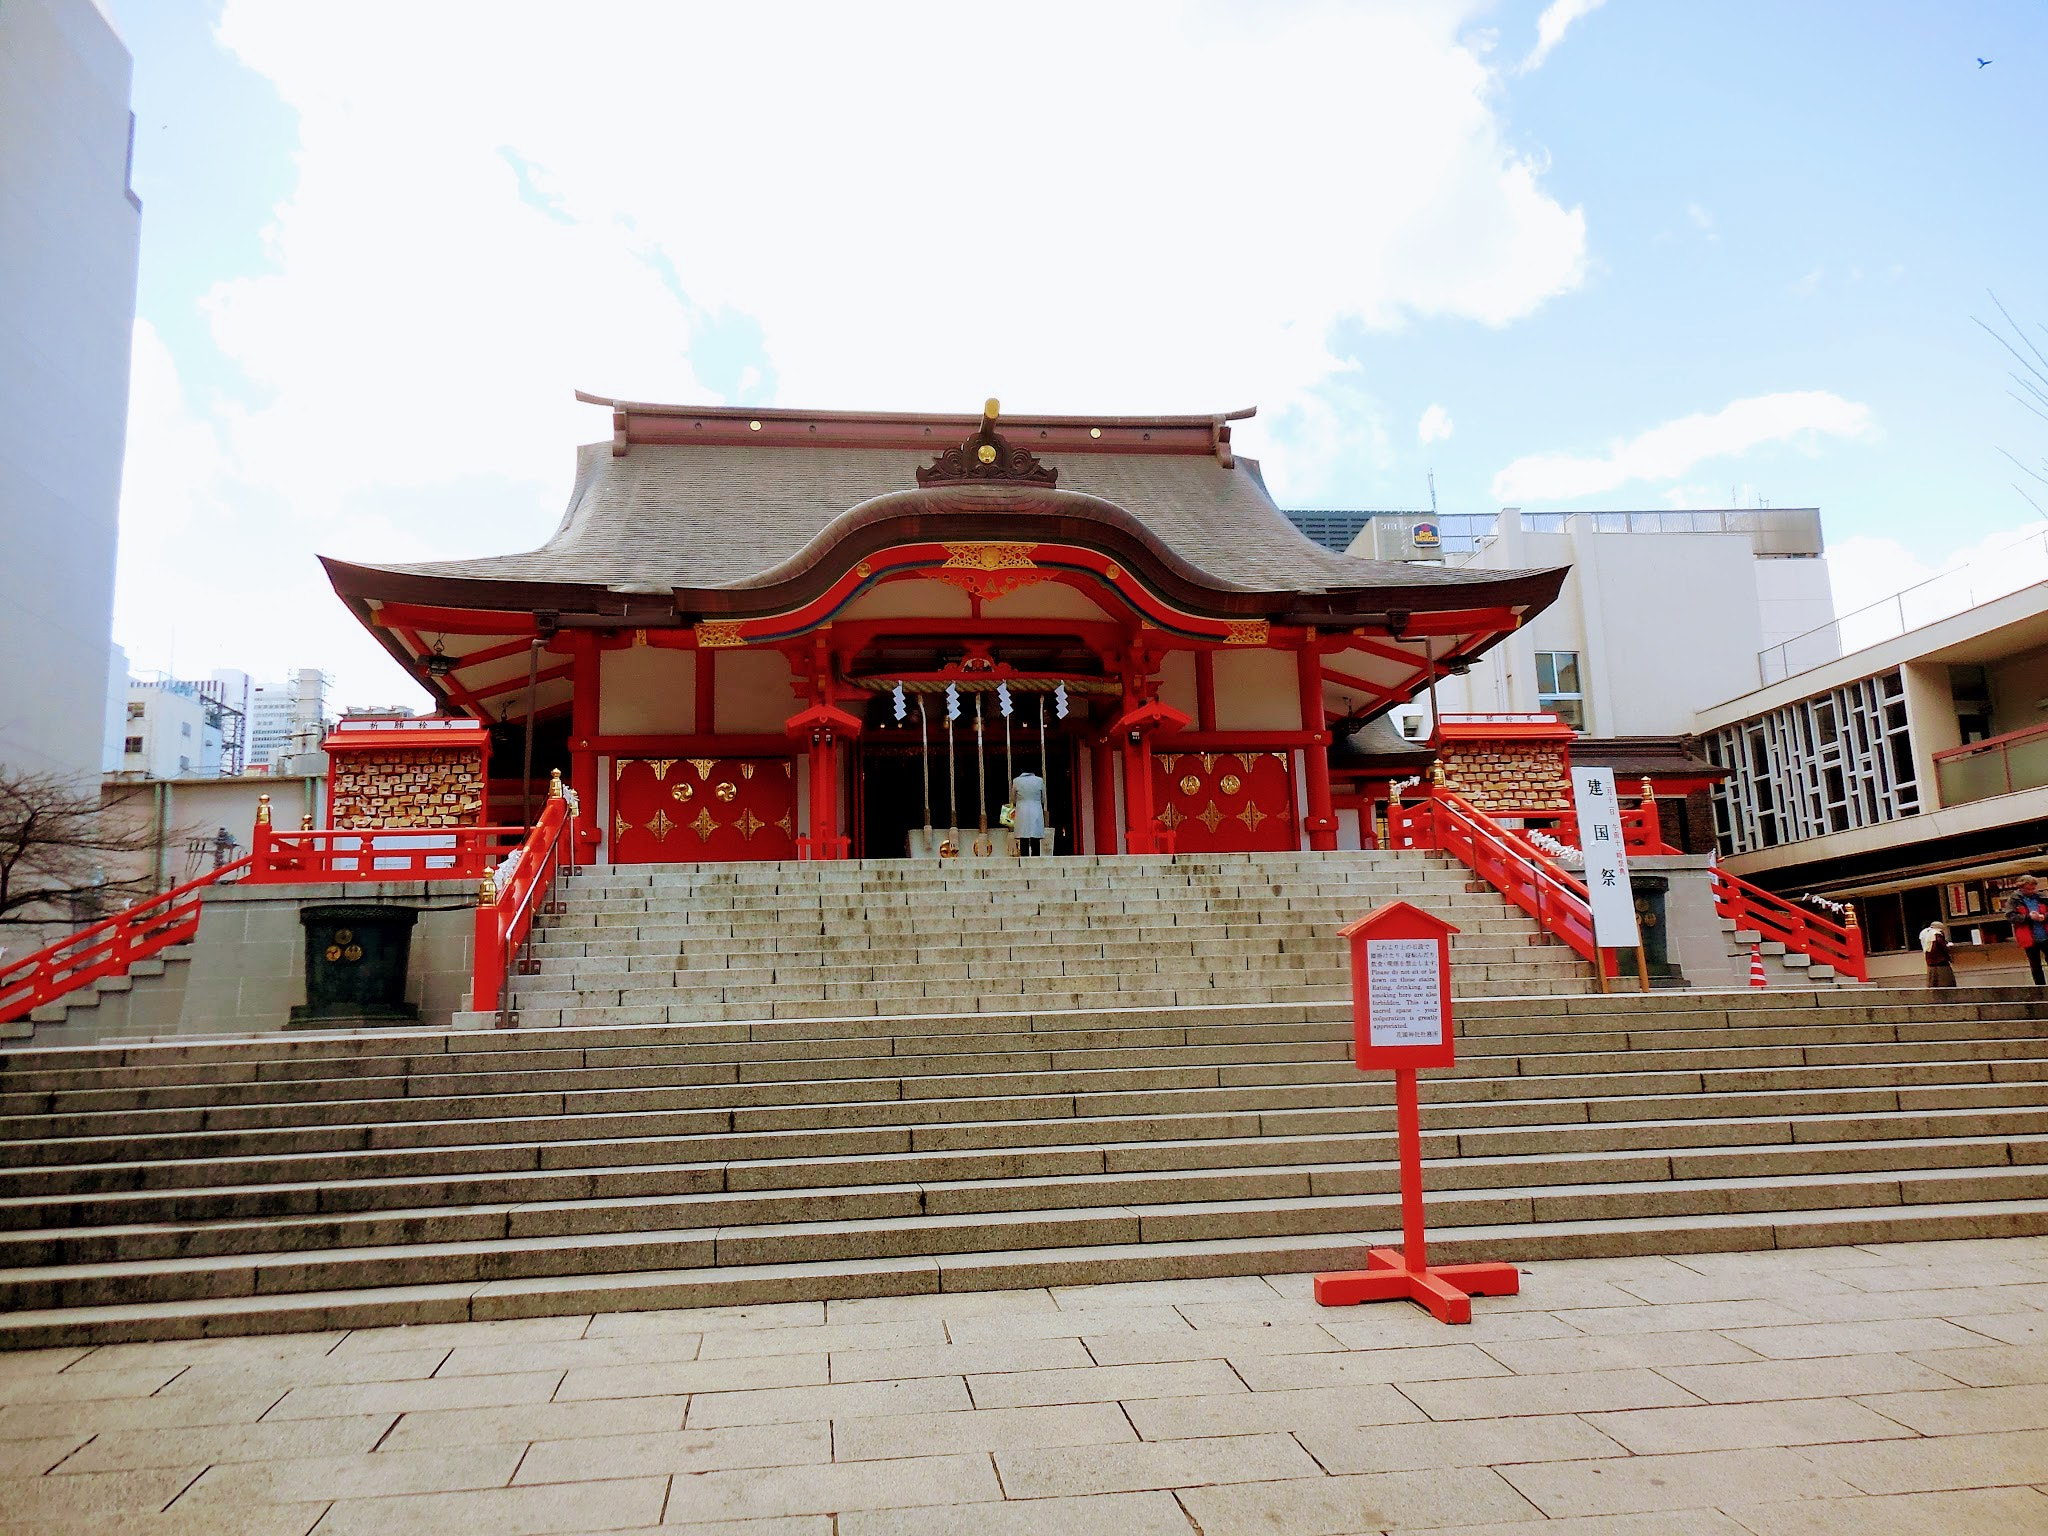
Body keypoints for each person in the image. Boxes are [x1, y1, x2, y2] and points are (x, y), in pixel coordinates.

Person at [2009, 877, 2048, 986]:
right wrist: (2028, 917)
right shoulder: (2014, 900)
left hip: (2045, 934)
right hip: (2028, 938)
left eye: (2033, 888)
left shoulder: (2042, 897)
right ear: (2021, 888)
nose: (2031, 891)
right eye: (2028, 889)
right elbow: (2010, 916)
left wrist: (2043, 917)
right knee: (2035, 965)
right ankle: (2040, 989)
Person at [1010, 770, 1046, 857]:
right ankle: (1036, 859)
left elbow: (1013, 798)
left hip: (1022, 809)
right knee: (1035, 837)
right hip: (1036, 808)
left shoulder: (1016, 781)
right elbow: (1043, 798)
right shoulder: (1039, 780)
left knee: (1023, 836)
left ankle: (1024, 859)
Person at [1920, 919, 1956, 990]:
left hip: (1930, 962)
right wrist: (1949, 957)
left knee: (1933, 982)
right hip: (1941, 961)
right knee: (1945, 982)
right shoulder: (1936, 934)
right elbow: (1942, 946)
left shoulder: (1925, 933)